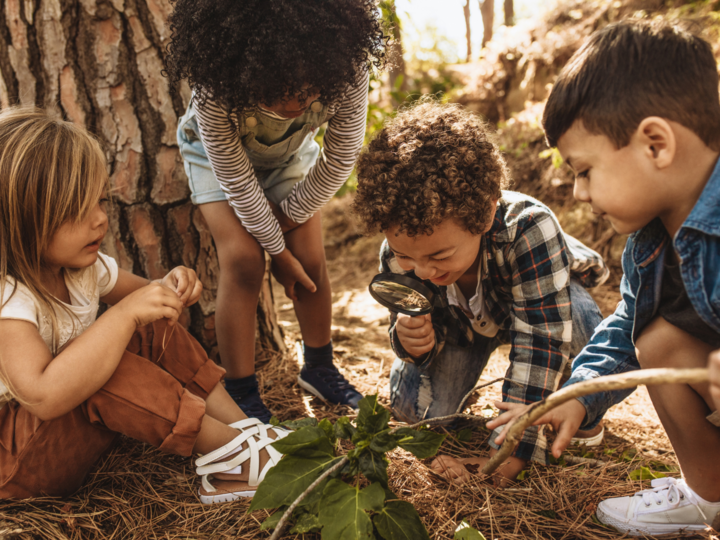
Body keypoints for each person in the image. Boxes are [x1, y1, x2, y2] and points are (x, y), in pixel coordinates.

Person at [490, 20, 720, 536]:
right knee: (656, 338)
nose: (577, 192)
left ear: (655, 145)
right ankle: (708, 495)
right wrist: (577, 393)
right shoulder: (648, 243)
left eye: (585, 169)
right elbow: (622, 329)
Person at [0, 107, 288, 503]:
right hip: (18, 467)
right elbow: (43, 396)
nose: (100, 220)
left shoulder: (83, 269)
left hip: (63, 436)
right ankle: (234, 458)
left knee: (148, 325)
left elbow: (148, 299)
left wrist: (170, 285)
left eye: (100, 201)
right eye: (75, 211)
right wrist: (123, 314)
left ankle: (245, 430)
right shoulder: (9, 299)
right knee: (106, 360)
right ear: (19, 220)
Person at [351, 100, 609, 485]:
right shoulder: (399, 253)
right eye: (407, 256)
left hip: (536, 302)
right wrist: (413, 343)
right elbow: (404, 321)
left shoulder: (529, 228)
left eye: (439, 254)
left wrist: (510, 450)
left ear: (485, 214)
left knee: (582, 322)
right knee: (414, 411)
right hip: (461, 329)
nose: (423, 271)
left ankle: (579, 408)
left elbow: (540, 338)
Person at [164, 0, 388, 421]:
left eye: (308, 90)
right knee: (245, 260)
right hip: (216, 160)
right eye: (278, 89)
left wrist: (286, 221)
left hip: (288, 158)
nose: (295, 103)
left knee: (311, 259)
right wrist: (276, 253)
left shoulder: (348, 68)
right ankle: (242, 390)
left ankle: (320, 368)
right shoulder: (217, 87)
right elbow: (237, 181)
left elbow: (339, 159)